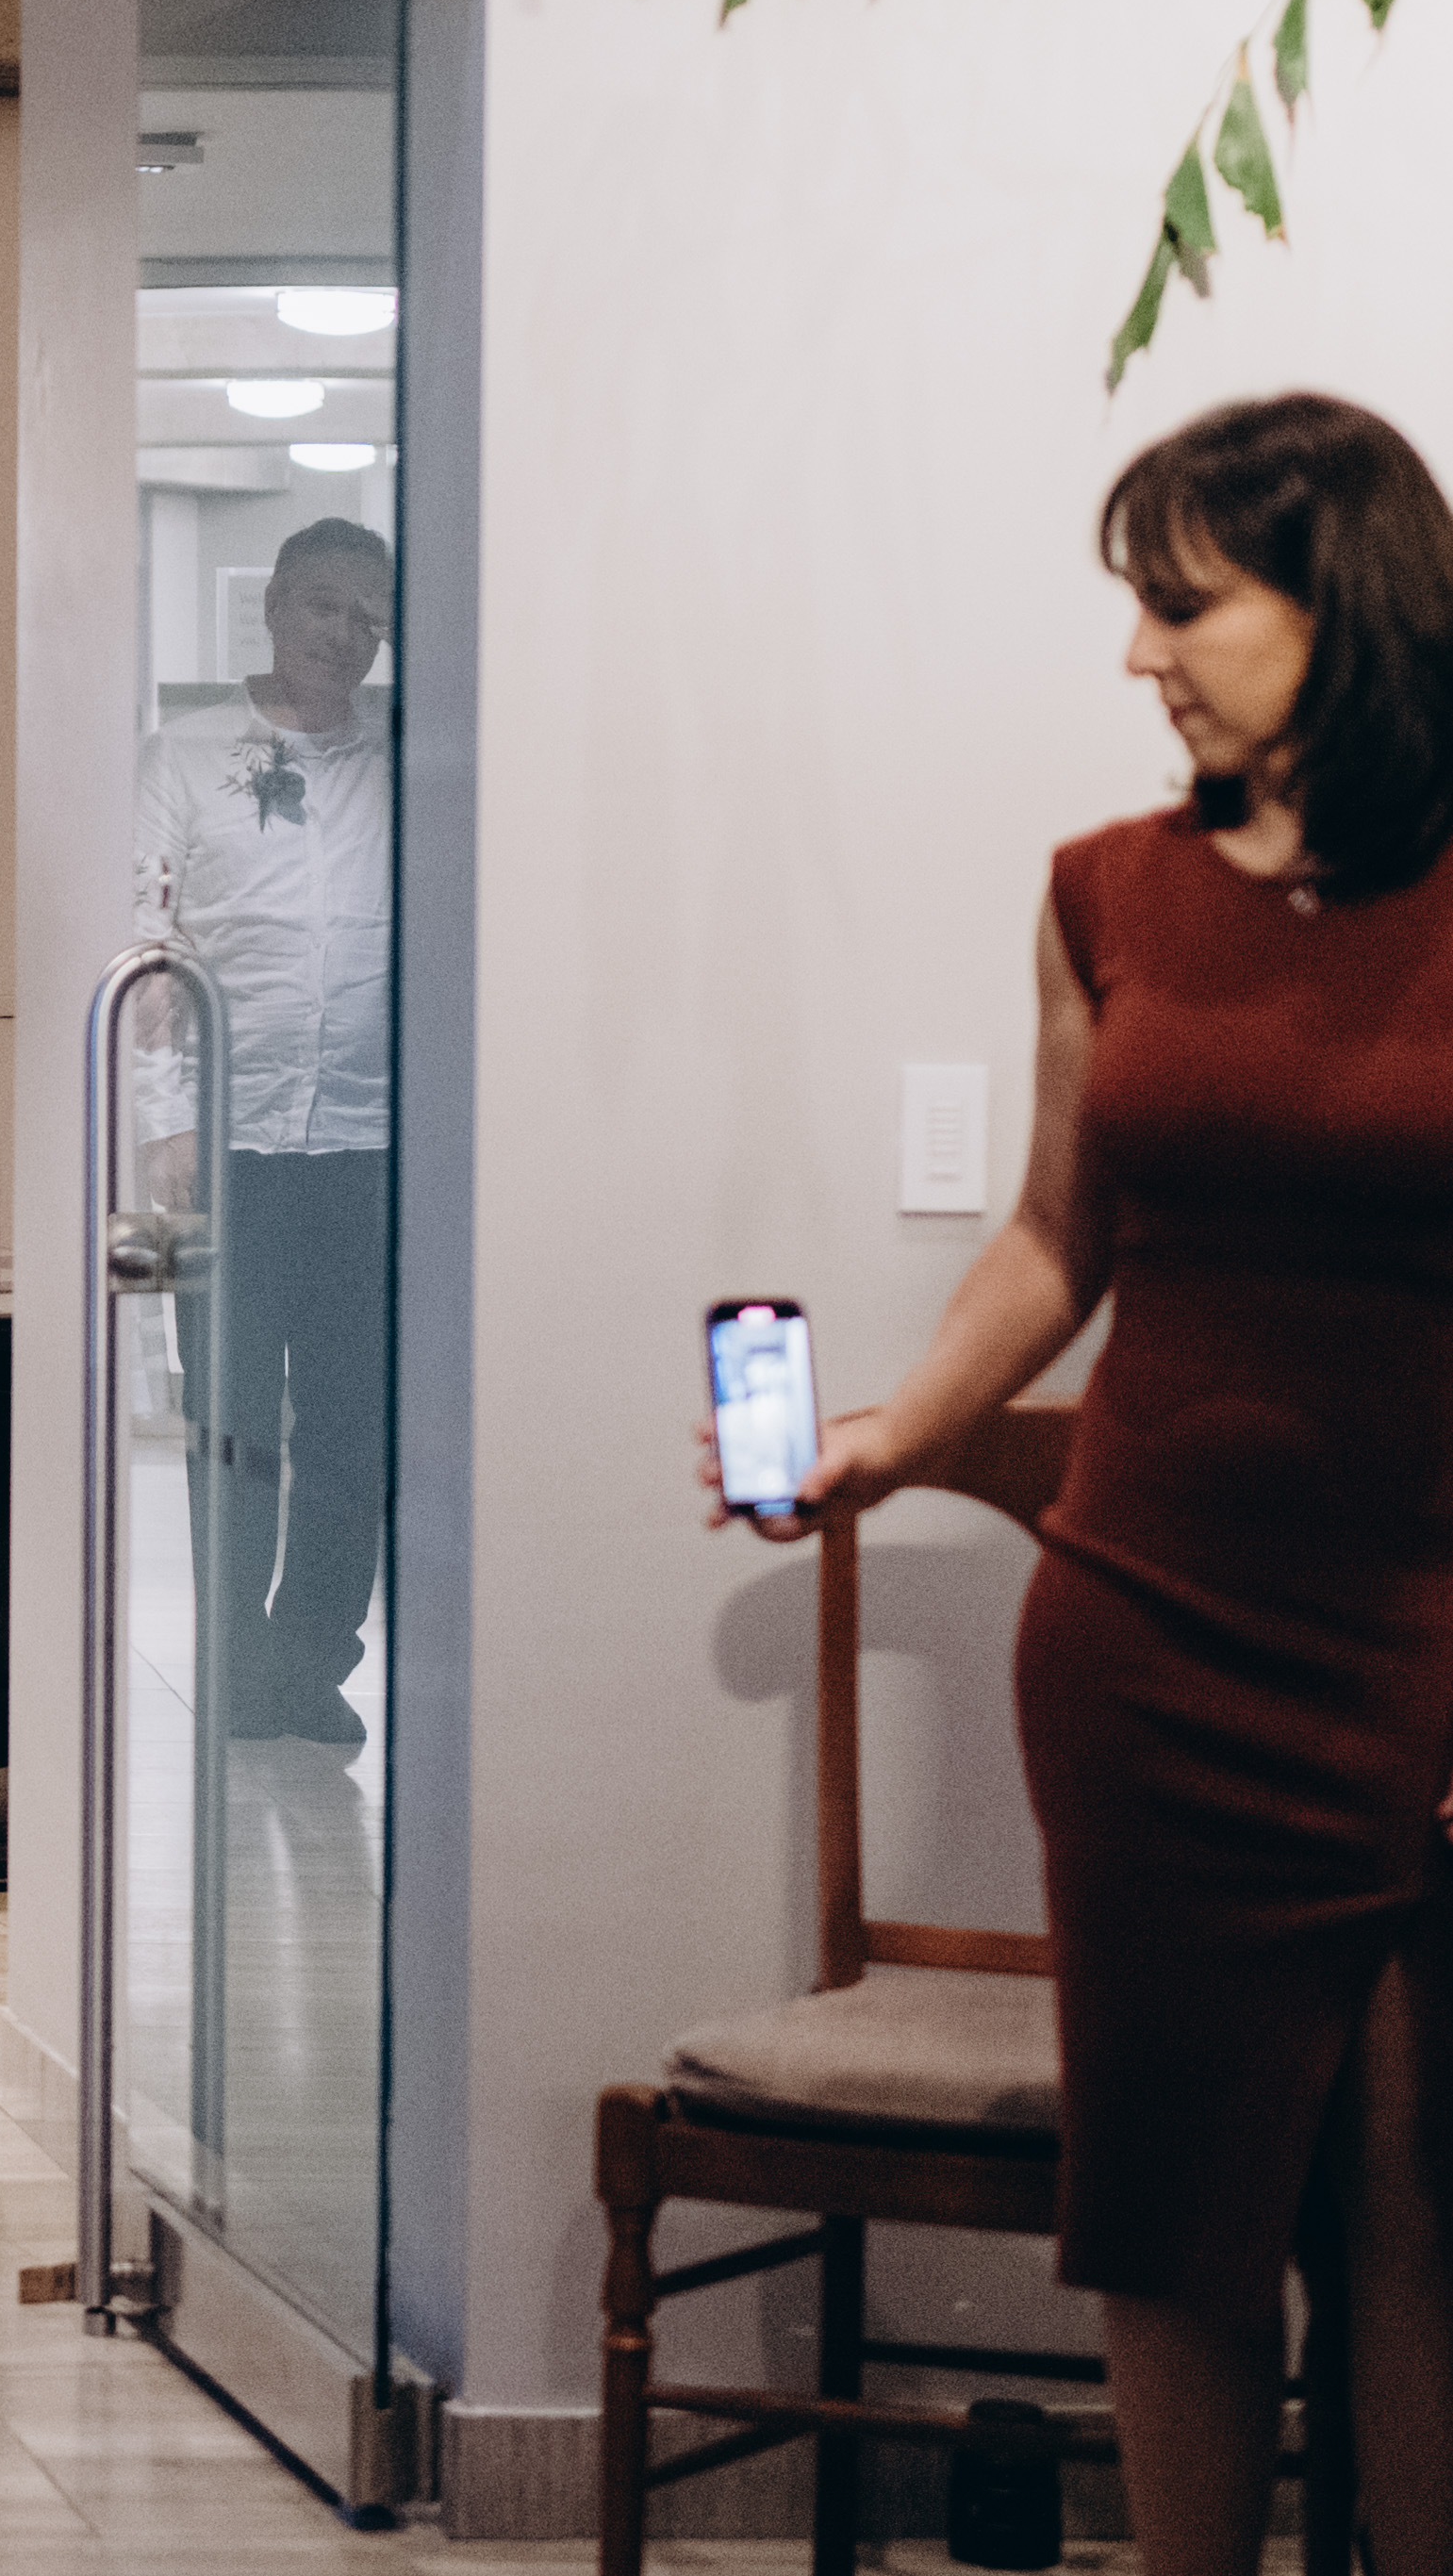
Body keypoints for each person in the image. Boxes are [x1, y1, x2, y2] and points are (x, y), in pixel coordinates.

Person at [734, 392, 1453, 2576]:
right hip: (1147, 1635)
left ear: (1340, 604)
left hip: (1420, 1632)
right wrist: (894, 1431)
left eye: (1179, 604)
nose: (1139, 652)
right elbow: (1059, 1235)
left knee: (1414, 2200)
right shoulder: (1105, 890)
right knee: (1171, 2201)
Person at [130, 515, 395, 1747]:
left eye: (368, 615)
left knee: (351, 1424)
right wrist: (163, 1123)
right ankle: (235, 1663)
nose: (345, 634)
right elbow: (145, 944)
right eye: (325, 605)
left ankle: (309, 1660)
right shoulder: (186, 755)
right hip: (221, 1143)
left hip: (367, 1147)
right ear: (277, 603)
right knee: (229, 1419)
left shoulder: (403, 758)